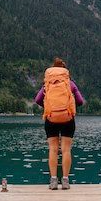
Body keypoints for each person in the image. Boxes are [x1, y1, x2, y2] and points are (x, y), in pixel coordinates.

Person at [34, 57, 85, 190]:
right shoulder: (70, 83)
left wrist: (48, 106)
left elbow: (38, 99)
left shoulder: (48, 84)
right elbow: (80, 101)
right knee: (66, 149)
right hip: (68, 119)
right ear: (64, 70)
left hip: (51, 118)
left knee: (53, 149)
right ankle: (66, 180)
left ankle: (53, 180)